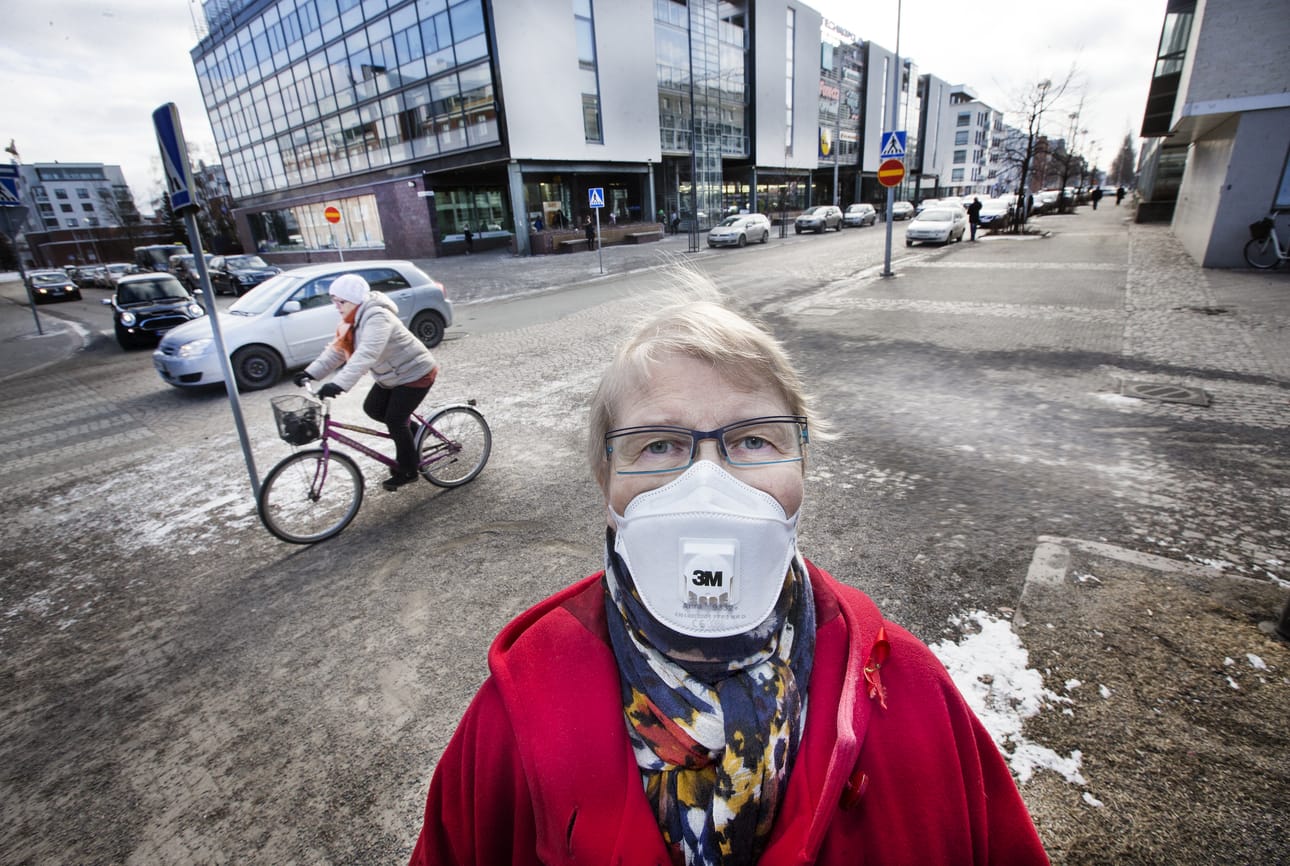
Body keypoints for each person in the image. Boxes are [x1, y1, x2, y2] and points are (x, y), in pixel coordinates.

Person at [407, 285, 1050, 864]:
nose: (707, 484)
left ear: (801, 470)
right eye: (659, 444)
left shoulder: (908, 696)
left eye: (752, 439)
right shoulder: (514, 721)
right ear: (606, 486)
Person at [294, 274, 439, 492]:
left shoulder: (378, 317)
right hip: (392, 375)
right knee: (373, 408)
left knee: (395, 420)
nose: (336, 306)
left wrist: (339, 384)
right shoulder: (352, 320)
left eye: (340, 301)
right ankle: (415, 435)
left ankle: (409, 470)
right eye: (334, 301)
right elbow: (337, 351)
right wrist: (309, 373)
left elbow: (367, 353)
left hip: (415, 373)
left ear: (354, 300)